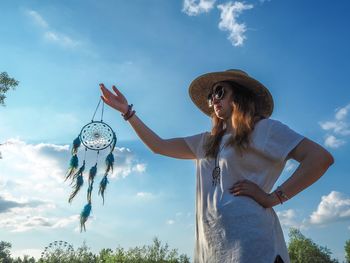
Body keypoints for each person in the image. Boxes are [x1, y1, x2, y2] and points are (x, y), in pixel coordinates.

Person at [99, 69, 334, 263]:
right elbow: (158, 145)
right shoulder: (206, 141)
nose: (214, 99)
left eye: (220, 92)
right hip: (211, 248)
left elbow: (320, 158)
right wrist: (128, 113)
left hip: (253, 247)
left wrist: (273, 198)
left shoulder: (265, 129)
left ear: (239, 96)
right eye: (211, 96)